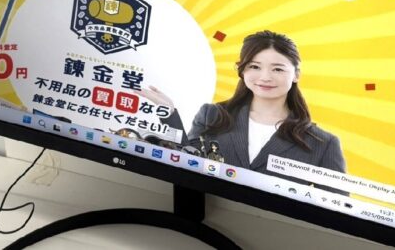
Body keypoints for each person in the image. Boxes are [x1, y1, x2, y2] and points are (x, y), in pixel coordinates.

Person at [138, 30, 346, 193]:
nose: (265, 77)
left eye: (277, 69)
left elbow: (334, 208)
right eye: (255, 67)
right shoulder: (212, 115)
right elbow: (187, 161)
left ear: (296, 74)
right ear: (243, 70)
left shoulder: (323, 143)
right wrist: (168, 114)